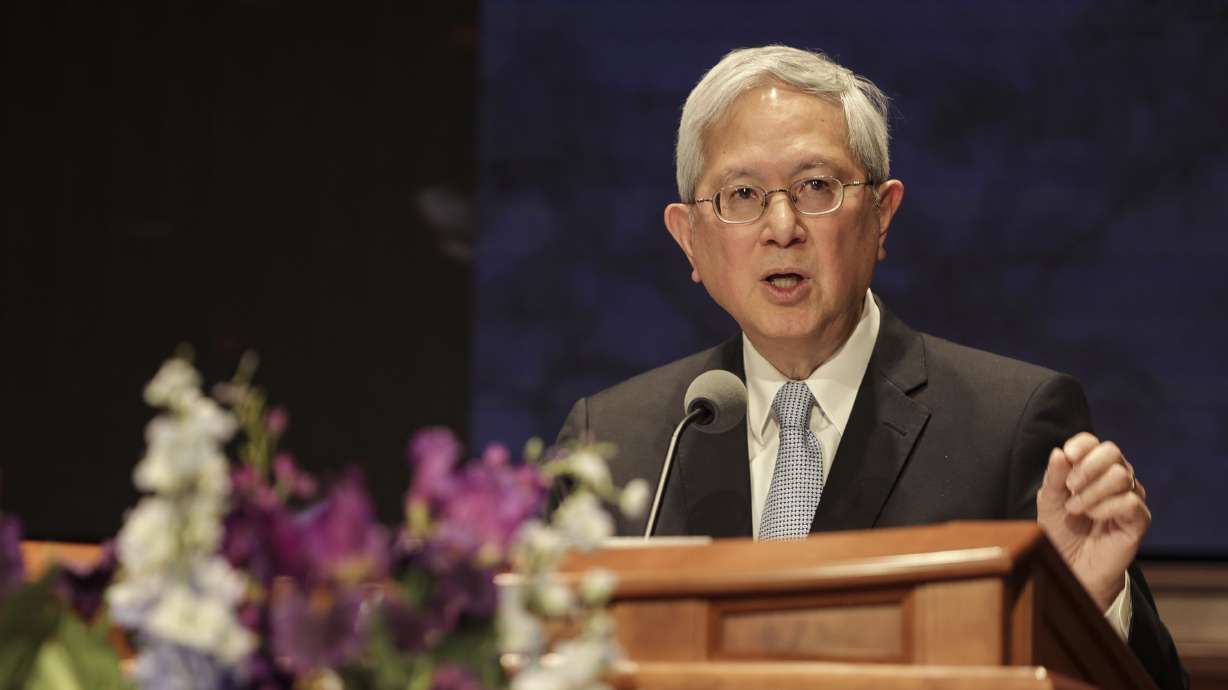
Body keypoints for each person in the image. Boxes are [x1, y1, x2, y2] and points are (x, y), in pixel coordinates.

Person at [554, 45, 1186, 689]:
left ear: (882, 215)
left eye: (816, 188)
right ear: (689, 237)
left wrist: (1084, 609)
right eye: (741, 193)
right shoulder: (614, 444)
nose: (781, 226)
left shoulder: (1013, 425)